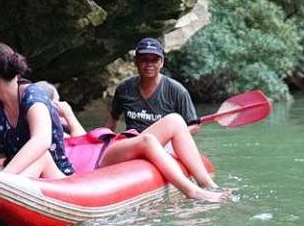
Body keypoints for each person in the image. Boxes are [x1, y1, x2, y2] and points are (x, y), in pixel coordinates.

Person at [42, 79, 228, 202]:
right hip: (98, 159)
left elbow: (82, 139)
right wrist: (66, 115)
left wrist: (67, 117)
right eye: (58, 102)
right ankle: (192, 191)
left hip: (107, 145)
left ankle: (208, 184)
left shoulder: (62, 125)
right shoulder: (45, 130)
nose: (62, 105)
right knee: (146, 140)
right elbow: (80, 144)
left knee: (175, 120)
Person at [0, 43, 75, 178]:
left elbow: (42, 140)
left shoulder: (33, 98)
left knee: (41, 156)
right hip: (15, 176)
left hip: (52, 175)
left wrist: (3, 178)